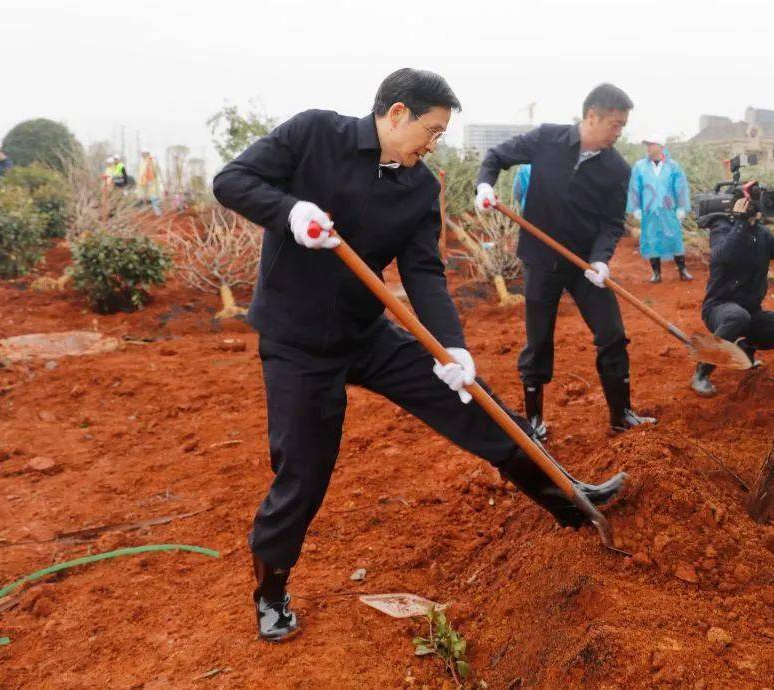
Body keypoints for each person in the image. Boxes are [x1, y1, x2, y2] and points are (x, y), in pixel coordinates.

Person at [213, 68, 621, 643]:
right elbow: (232, 180)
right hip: (297, 341)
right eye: (430, 130)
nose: (433, 144)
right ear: (397, 113)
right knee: (304, 468)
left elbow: (424, 270)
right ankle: (271, 591)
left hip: (365, 331)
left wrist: (450, 344)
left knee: (472, 401)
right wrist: (289, 212)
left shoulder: (419, 187)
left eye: (440, 134)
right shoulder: (315, 136)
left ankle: (570, 499)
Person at [474, 84, 656, 438]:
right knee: (539, 340)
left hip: (585, 267)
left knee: (612, 334)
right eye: (615, 124)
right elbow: (496, 157)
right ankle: (535, 421)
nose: (619, 132)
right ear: (592, 116)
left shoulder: (617, 168)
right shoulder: (548, 139)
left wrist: (601, 261)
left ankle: (621, 414)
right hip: (541, 261)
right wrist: (484, 185)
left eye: (622, 126)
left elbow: (611, 223)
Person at [691, 192, 774, 396]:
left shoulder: (761, 233)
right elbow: (723, 256)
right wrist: (742, 223)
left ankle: (745, 345)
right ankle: (701, 372)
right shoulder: (721, 228)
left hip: (751, 313)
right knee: (737, 316)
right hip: (720, 309)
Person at [627, 136, 692, 283]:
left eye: (651, 144)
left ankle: (682, 270)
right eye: (647, 145)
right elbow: (635, 188)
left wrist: (681, 207)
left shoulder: (673, 166)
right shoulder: (640, 166)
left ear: (660, 146)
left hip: (669, 210)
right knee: (651, 239)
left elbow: (680, 188)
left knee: (674, 238)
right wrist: (636, 207)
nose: (648, 148)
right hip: (649, 210)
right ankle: (656, 273)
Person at [136, 149, 164, 215]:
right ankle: (147, 213)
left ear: (148, 153)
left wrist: (149, 179)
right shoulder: (142, 162)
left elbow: (154, 172)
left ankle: (158, 213)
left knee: (154, 197)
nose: (143, 155)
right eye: (142, 154)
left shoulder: (152, 161)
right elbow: (141, 173)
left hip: (151, 183)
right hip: (143, 184)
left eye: (144, 153)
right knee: (143, 198)